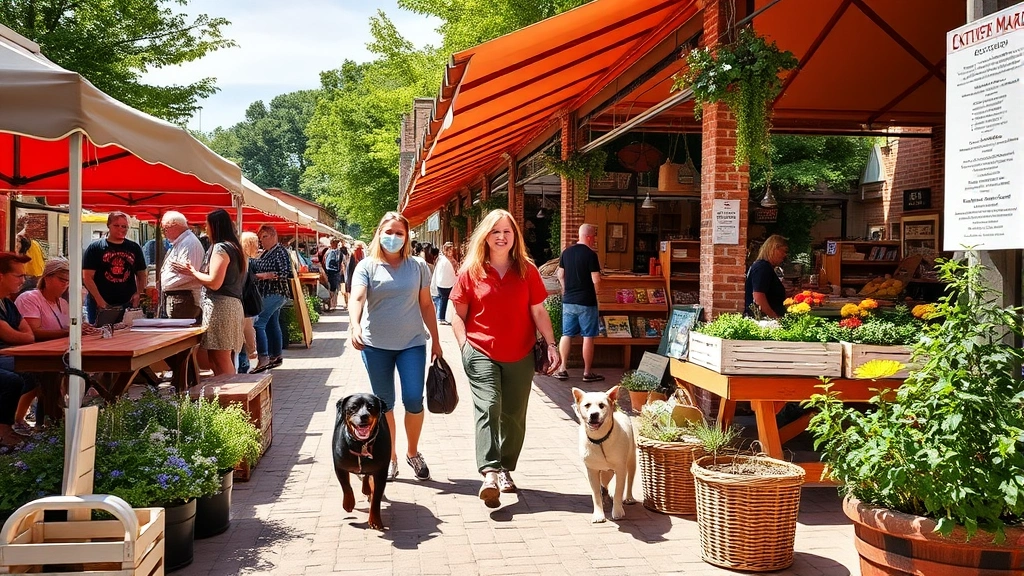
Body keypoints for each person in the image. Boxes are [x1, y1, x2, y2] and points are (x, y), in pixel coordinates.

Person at [450, 209, 560, 508]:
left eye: (507, 232)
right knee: (489, 407)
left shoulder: (528, 271)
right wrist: (464, 347)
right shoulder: (470, 272)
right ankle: (489, 472)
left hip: (520, 353)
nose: (501, 237)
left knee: (514, 415)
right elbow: (457, 316)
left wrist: (551, 344)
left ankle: (505, 468)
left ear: (515, 237)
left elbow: (538, 311)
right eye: (495, 231)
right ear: (486, 235)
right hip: (481, 351)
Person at [349, 211, 441, 482]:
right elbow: (357, 297)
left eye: (399, 233)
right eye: (388, 232)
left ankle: (413, 452)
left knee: (413, 399)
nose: (393, 237)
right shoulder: (367, 266)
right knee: (384, 403)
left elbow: (426, 304)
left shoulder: (418, 267)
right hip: (375, 345)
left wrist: (436, 339)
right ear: (379, 233)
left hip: (412, 343)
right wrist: (355, 325)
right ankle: (390, 456)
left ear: (407, 236)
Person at [171, 209, 245, 376]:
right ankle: (227, 396)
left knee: (221, 357)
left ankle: (232, 397)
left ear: (214, 226)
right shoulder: (234, 247)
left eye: (207, 224)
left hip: (221, 307)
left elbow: (215, 282)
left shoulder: (220, 248)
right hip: (229, 305)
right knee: (217, 357)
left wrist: (191, 272)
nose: (205, 227)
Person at [555, 223, 603, 382]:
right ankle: (587, 372)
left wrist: (565, 290)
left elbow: (560, 274)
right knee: (588, 336)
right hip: (586, 302)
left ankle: (562, 369)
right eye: (594, 236)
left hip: (569, 300)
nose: (594, 239)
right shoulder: (591, 255)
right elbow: (596, 279)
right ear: (589, 237)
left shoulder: (566, 252)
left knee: (566, 334)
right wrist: (597, 292)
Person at [82, 212, 147, 324]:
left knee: (127, 336)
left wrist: (138, 293)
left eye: (124, 226)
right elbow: (87, 277)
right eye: (116, 225)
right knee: (99, 336)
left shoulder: (134, 248)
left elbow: (142, 274)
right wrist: (99, 300)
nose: (121, 229)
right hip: (101, 303)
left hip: (127, 303)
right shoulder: (95, 248)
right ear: (108, 225)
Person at [0, 253, 38, 446]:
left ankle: (42, 420)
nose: (23, 280)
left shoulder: (7, 303)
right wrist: (20, 335)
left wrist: (20, 335)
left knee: (36, 371)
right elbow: (13, 335)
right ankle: (3, 431)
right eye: (18, 276)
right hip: (4, 356)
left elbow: (28, 334)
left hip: (7, 354)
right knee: (13, 380)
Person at [250, 225, 292, 373]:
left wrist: (252, 263)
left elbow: (284, 272)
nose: (262, 241)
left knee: (258, 323)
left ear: (274, 236)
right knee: (272, 323)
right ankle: (276, 355)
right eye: (260, 238)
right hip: (271, 293)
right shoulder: (268, 252)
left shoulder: (279, 251)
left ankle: (263, 358)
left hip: (275, 293)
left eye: (264, 237)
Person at [159, 211, 205, 321]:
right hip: (180, 299)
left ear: (175, 226)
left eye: (165, 229)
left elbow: (189, 273)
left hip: (184, 299)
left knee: (181, 335)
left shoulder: (189, 243)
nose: (164, 233)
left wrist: (166, 283)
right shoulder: (182, 242)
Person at [744, 234, 788, 319]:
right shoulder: (762, 267)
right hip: (764, 322)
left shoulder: (763, 266)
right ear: (774, 249)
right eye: (784, 251)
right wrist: (774, 317)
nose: (785, 255)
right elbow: (758, 297)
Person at [237, 232, 260, 375]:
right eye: (256, 243)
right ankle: (246, 363)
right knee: (246, 333)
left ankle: (246, 363)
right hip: (243, 304)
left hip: (243, 303)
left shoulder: (243, 259)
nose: (258, 246)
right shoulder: (243, 260)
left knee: (245, 334)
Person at [432, 242, 457, 325]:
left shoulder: (443, 259)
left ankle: (443, 317)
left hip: (444, 283)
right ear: (445, 251)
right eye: (449, 250)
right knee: (444, 300)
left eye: (451, 250)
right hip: (444, 283)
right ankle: (441, 317)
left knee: (445, 300)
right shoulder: (444, 260)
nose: (451, 252)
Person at [323, 238, 343, 312]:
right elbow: (327, 263)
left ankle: (333, 304)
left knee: (334, 288)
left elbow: (340, 262)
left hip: (335, 272)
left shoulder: (338, 252)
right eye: (335, 243)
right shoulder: (330, 252)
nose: (336, 245)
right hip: (331, 272)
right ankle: (331, 304)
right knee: (332, 288)